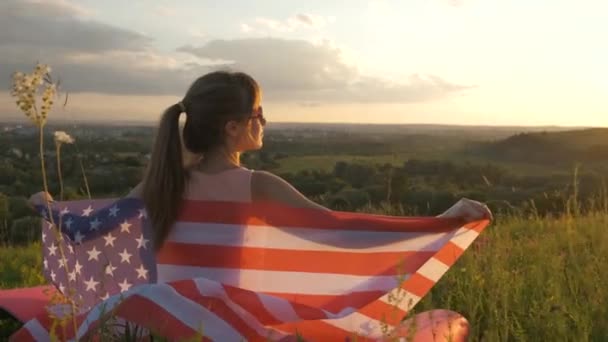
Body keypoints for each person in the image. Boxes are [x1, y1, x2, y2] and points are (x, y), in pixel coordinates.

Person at [29, 70, 492, 254]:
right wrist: (441, 221)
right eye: (257, 113)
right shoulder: (255, 185)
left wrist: (45, 203)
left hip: (165, 319)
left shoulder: (161, 183)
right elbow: (343, 231)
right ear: (232, 127)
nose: (265, 121)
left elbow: (84, 229)